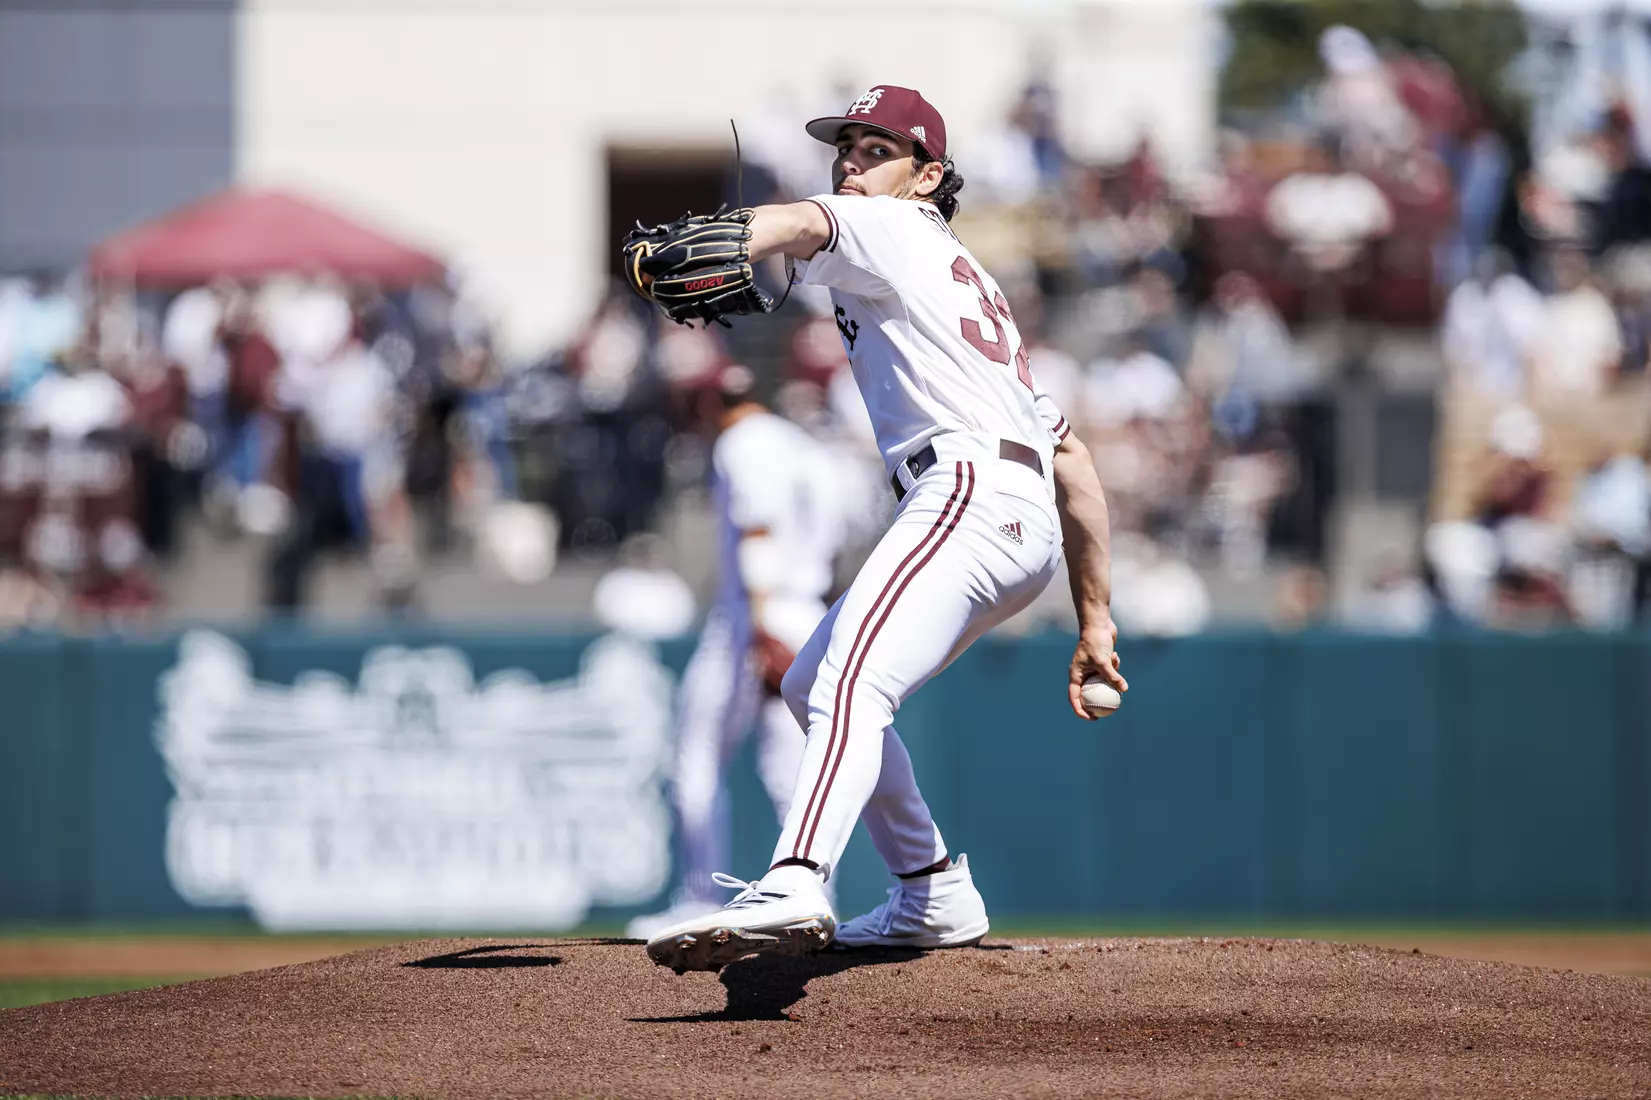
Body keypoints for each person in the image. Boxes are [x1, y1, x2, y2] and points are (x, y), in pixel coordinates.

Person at [630, 85, 1127, 972]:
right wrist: (1093, 622)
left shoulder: (894, 227)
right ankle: (929, 886)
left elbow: (791, 225)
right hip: (1012, 516)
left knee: (848, 682)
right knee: (815, 680)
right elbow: (1076, 468)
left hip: (965, 489)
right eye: (845, 149)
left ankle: (794, 877)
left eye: (875, 151)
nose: (851, 165)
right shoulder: (969, 287)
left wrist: (725, 237)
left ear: (926, 175)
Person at [626, 365, 844, 941]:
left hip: (756, 614)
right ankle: (816, 899)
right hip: (809, 611)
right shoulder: (803, 444)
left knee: (695, 757)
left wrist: (760, 624)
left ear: (704, 404)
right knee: (793, 771)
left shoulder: (741, 442)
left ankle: (698, 899)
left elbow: (757, 532)